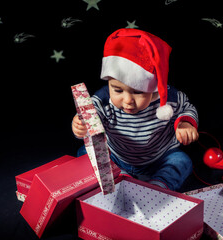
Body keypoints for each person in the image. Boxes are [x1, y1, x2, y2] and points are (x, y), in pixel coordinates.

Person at [72, 28, 199, 191]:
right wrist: (80, 125)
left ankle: (158, 186)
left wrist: (185, 124)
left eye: (138, 92)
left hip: (158, 159)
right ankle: (122, 179)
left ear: (153, 89)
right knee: (84, 153)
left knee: (182, 161)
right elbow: (89, 115)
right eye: (118, 90)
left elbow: (187, 108)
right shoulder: (103, 101)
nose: (128, 101)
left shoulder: (170, 99)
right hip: (116, 158)